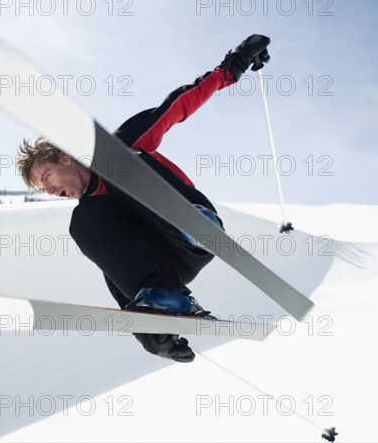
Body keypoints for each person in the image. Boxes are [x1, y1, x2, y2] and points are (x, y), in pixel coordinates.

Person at [16, 35, 271, 363]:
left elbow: (176, 107)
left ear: (65, 157)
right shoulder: (93, 218)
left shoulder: (118, 147)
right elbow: (117, 277)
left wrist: (231, 68)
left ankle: (189, 223)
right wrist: (152, 333)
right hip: (171, 264)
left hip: (192, 232)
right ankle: (166, 297)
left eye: (46, 178)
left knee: (118, 163)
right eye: (42, 189)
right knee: (84, 222)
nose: (49, 191)